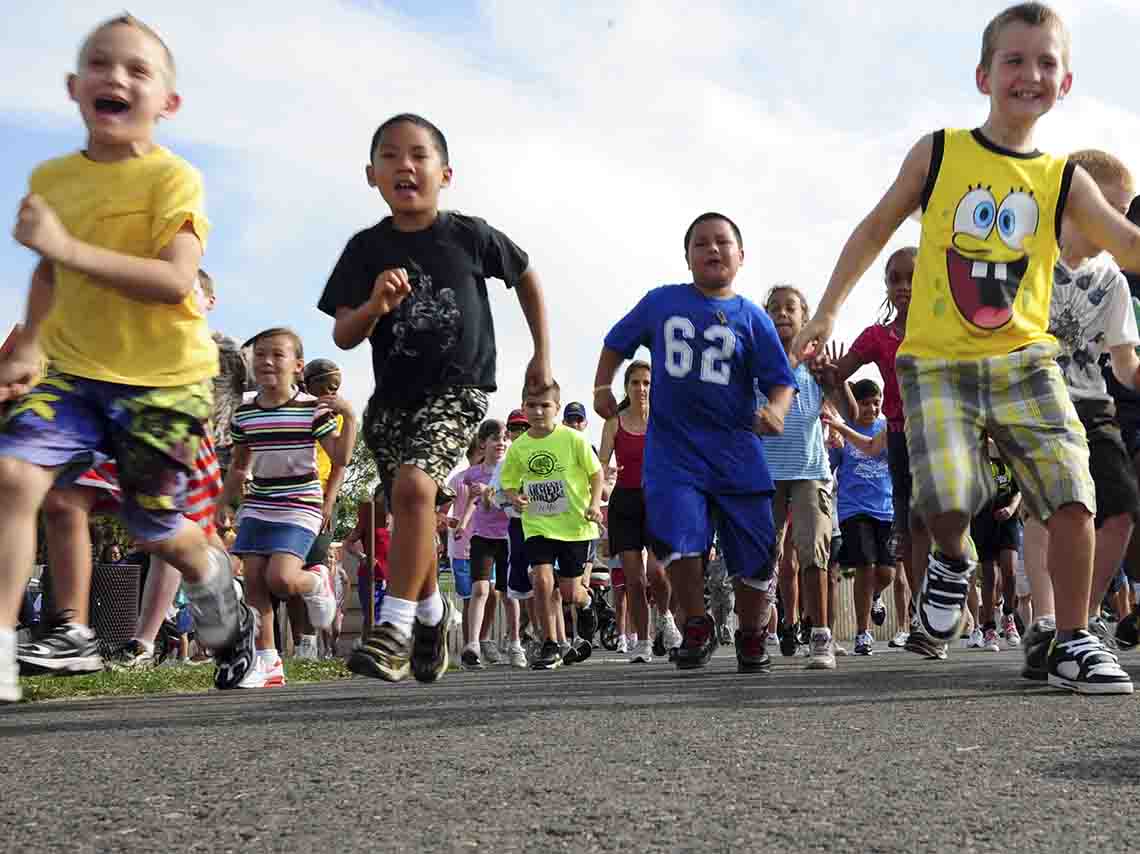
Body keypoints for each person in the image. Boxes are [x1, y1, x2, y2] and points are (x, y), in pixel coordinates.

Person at [792, 2, 1140, 694]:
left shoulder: (1065, 180)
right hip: (939, 364)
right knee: (946, 498)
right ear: (985, 74)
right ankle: (953, 558)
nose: (1029, 74)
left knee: (1075, 490)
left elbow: (1126, 242)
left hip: (1026, 362)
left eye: (1046, 62)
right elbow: (871, 229)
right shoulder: (941, 151)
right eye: (1014, 60)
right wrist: (827, 308)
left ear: (1064, 83)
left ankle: (1072, 638)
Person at [0, 14, 255, 703]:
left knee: (154, 526)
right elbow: (49, 273)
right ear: (73, 86)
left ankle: (220, 597)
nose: (116, 77)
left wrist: (66, 246)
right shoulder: (53, 177)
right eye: (101, 65)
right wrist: (27, 345)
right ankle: (45, 638)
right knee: (19, 478)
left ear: (167, 103)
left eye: (138, 70)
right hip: (78, 375)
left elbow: (175, 279)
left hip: (161, 386)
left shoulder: (174, 179)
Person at [319, 112, 551, 685]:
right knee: (408, 506)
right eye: (391, 155)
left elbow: (525, 274)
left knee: (417, 488)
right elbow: (343, 333)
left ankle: (394, 626)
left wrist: (541, 353)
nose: (406, 165)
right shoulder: (365, 249)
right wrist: (375, 304)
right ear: (372, 174)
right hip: (392, 400)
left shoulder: (468, 235)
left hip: (459, 389)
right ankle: (430, 612)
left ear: (444, 173)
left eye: (419, 154)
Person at [594, 212, 796, 673]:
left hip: (736, 450)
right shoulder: (661, 302)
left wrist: (778, 411)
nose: (712, 250)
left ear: (740, 256)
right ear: (687, 256)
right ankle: (696, 624)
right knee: (678, 536)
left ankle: (750, 633)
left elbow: (781, 381)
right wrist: (601, 387)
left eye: (722, 242)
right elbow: (615, 342)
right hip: (675, 452)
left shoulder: (753, 317)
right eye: (701, 243)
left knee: (756, 549)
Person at [1023, 148, 1140, 665]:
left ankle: (1080, 622)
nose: (1119, 222)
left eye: (1124, 211)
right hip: (1037, 400)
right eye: (1107, 209)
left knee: (1119, 509)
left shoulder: (1112, 279)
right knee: (1049, 509)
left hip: (1093, 404)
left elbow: (1124, 366)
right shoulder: (1027, 261)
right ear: (1071, 203)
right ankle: (1044, 621)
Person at [219, 328, 354, 688]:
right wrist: (223, 503)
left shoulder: (312, 410)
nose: (266, 361)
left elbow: (340, 457)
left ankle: (316, 581)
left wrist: (350, 417)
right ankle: (268, 661)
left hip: (301, 502)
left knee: (280, 578)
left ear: (297, 367)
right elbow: (239, 465)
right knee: (254, 582)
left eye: (277, 355)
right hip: (260, 501)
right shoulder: (244, 413)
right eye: (260, 354)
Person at [815, 248, 920, 653]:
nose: (904, 286)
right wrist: (829, 375)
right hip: (900, 439)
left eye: (912, 276)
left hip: (942, 434)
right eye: (895, 279)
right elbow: (841, 383)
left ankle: (935, 603)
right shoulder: (878, 336)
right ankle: (920, 625)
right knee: (912, 533)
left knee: (944, 523)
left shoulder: (947, 328)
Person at [762, 284, 845, 669]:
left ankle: (821, 637)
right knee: (765, 555)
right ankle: (761, 631)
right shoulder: (758, 362)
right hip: (766, 473)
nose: (782, 313)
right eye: (774, 308)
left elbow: (852, 411)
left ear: (806, 317)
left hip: (810, 470)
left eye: (790, 308)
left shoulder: (815, 364)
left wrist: (835, 379)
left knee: (814, 550)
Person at [500, 381, 605, 670]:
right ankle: (550, 643)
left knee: (570, 592)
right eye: (531, 405)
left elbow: (596, 475)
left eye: (545, 405)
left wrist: (594, 505)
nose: (538, 411)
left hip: (575, 526)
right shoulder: (519, 448)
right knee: (541, 579)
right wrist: (514, 497)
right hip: (538, 523)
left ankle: (586, 603)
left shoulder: (573, 439)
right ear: (524, 408)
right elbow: (508, 483)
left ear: (557, 408)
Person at [597, 360, 681, 663]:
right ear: (626, 387)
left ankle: (667, 617)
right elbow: (601, 467)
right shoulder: (614, 423)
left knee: (656, 572)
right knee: (633, 579)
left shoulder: (664, 421)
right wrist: (596, 499)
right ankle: (643, 641)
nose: (642, 389)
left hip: (659, 501)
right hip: (624, 503)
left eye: (647, 383)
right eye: (635, 383)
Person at [822, 380, 895, 656]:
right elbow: (830, 466)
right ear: (856, 404)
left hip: (885, 509)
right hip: (854, 509)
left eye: (876, 402)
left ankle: (876, 595)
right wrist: (830, 444)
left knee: (886, 573)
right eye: (865, 403)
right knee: (866, 564)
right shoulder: (845, 432)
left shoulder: (886, 429)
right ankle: (863, 633)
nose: (871, 408)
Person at [453, 419, 514, 669]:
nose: (500, 443)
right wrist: (462, 524)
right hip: (481, 537)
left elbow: (512, 500)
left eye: (504, 439)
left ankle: (516, 642)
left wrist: (491, 492)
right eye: (495, 439)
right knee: (480, 590)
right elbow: (473, 502)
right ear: (483, 443)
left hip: (508, 537)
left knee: (509, 594)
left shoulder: (512, 469)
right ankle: (473, 645)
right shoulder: (472, 474)